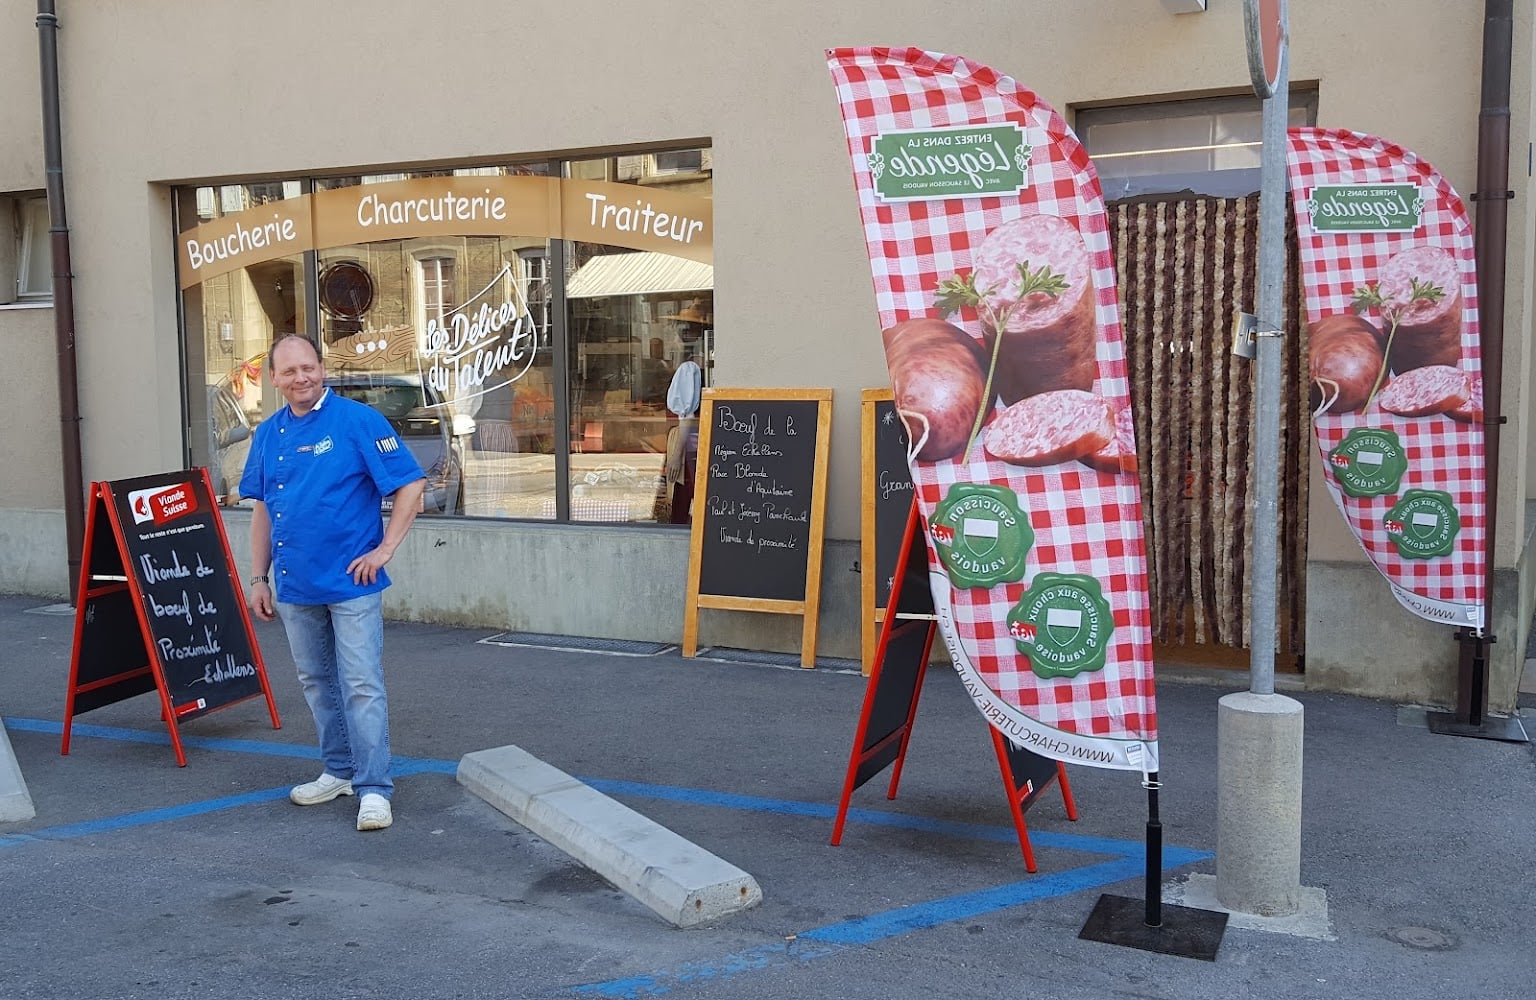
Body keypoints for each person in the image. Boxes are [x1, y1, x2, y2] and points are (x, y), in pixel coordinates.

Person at [240, 335, 426, 832]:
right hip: (295, 585)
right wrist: (258, 577)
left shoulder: (358, 421)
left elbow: (412, 483)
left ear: (322, 369)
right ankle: (339, 771)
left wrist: (385, 549)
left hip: (352, 583)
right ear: (274, 379)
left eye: (308, 367)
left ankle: (374, 788)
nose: (301, 378)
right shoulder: (269, 434)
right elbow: (262, 510)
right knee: (317, 682)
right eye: (289, 371)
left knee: (362, 685)